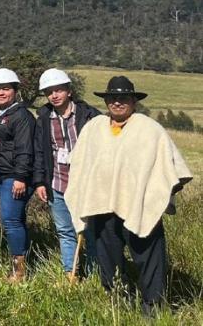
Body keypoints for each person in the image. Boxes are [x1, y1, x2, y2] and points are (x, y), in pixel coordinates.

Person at [66, 76, 192, 317]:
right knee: (108, 261)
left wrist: (160, 193)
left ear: (134, 101)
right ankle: (119, 304)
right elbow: (80, 165)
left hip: (141, 206)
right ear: (106, 101)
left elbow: (171, 167)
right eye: (112, 98)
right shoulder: (94, 128)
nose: (117, 102)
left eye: (124, 98)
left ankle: (152, 309)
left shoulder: (149, 129)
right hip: (101, 207)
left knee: (149, 260)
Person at [31, 68, 100, 283]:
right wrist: (40, 181)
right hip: (57, 183)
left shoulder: (89, 115)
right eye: (49, 91)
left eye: (58, 90)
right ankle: (70, 272)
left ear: (69, 91)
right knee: (65, 231)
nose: (54, 95)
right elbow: (40, 152)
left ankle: (94, 273)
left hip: (85, 185)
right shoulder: (43, 118)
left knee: (90, 232)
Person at [0, 68, 35, 282]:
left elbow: (25, 149)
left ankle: (19, 271)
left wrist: (21, 177)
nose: (0, 93)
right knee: (17, 220)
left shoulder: (21, 116)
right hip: (2, 175)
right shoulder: (2, 114)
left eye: (5, 88)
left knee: (11, 221)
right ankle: (21, 263)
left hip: (13, 177)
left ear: (15, 90)